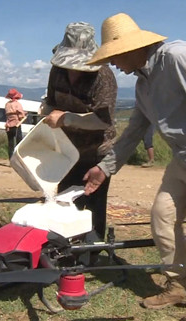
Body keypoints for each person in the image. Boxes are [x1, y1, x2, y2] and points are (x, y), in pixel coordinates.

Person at [83, 13, 186, 320]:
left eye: (114, 57)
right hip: (182, 162)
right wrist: (105, 168)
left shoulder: (177, 58)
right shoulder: (144, 85)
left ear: (129, 48)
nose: (114, 65)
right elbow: (133, 131)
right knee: (162, 217)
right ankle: (179, 286)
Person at [42, 21, 117, 241]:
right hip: (66, 150)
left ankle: (90, 252)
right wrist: (47, 112)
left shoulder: (103, 76)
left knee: (92, 206)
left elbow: (103, 121)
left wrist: (66, 119)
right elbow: (51, 102)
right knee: (65, 201)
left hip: (96, 152)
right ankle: (64, 249)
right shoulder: (57, 72)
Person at [4, 88, 26, 159]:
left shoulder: (7, 104)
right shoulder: (17, 104)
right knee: (18, 143)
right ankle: (18, 158)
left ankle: (11, 159)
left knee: (10, 143)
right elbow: (21, 115)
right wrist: (23, 115)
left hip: (9, 125)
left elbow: (9, 113)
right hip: (16, 124)